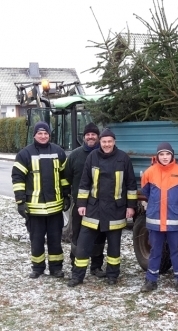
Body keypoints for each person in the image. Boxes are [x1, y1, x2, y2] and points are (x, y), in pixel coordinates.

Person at [68, 128, 137, 287]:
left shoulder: (123, 158)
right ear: (100, 142)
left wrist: (131, 206)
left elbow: (131, 185)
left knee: (114, 247)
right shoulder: (92, 157)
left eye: (109, 142)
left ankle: (112, 275)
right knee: (83, 244)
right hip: (93, 209)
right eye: (104, 141)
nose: (106, 144)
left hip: (116, 210)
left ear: (114, 142)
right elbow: (85, 182)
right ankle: (77, 276)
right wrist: (81, 204)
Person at [11, 121, 70, 278]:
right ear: (34, 135)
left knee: (55, 240)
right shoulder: (24, 154)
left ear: (49, 135)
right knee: (36, 241)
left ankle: (56, 268)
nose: (43, 136)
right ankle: (37, 268)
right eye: (40, 133)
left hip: (55, 208)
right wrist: (20, 202)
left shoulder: (58, 152)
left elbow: (64, 177)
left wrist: (66, 195)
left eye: (46, 133)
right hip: (34, 208)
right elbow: (18, 179)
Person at [140, 142, 178, 293]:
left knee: (175, 250)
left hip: (174, 220)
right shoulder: (149, 172)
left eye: (167, 154)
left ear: (172, 155)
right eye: (161, 154)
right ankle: (151, 280)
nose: (164, 157)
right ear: (157, 156)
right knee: (155, 250)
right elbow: (147, 192)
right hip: (155, 220)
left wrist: (175, 206)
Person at [64, 122, 106, 278]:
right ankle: (75, 263)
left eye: (93, 134)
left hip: (100, 205)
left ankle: (96, 266)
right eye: (88, 134)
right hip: (80, 204)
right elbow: (65, 177)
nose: (90, 137)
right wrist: (66, 195)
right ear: (84, 137)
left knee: (99, 236)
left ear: (98, 137)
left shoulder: (105, 154)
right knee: (77, 235)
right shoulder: (75, 156)